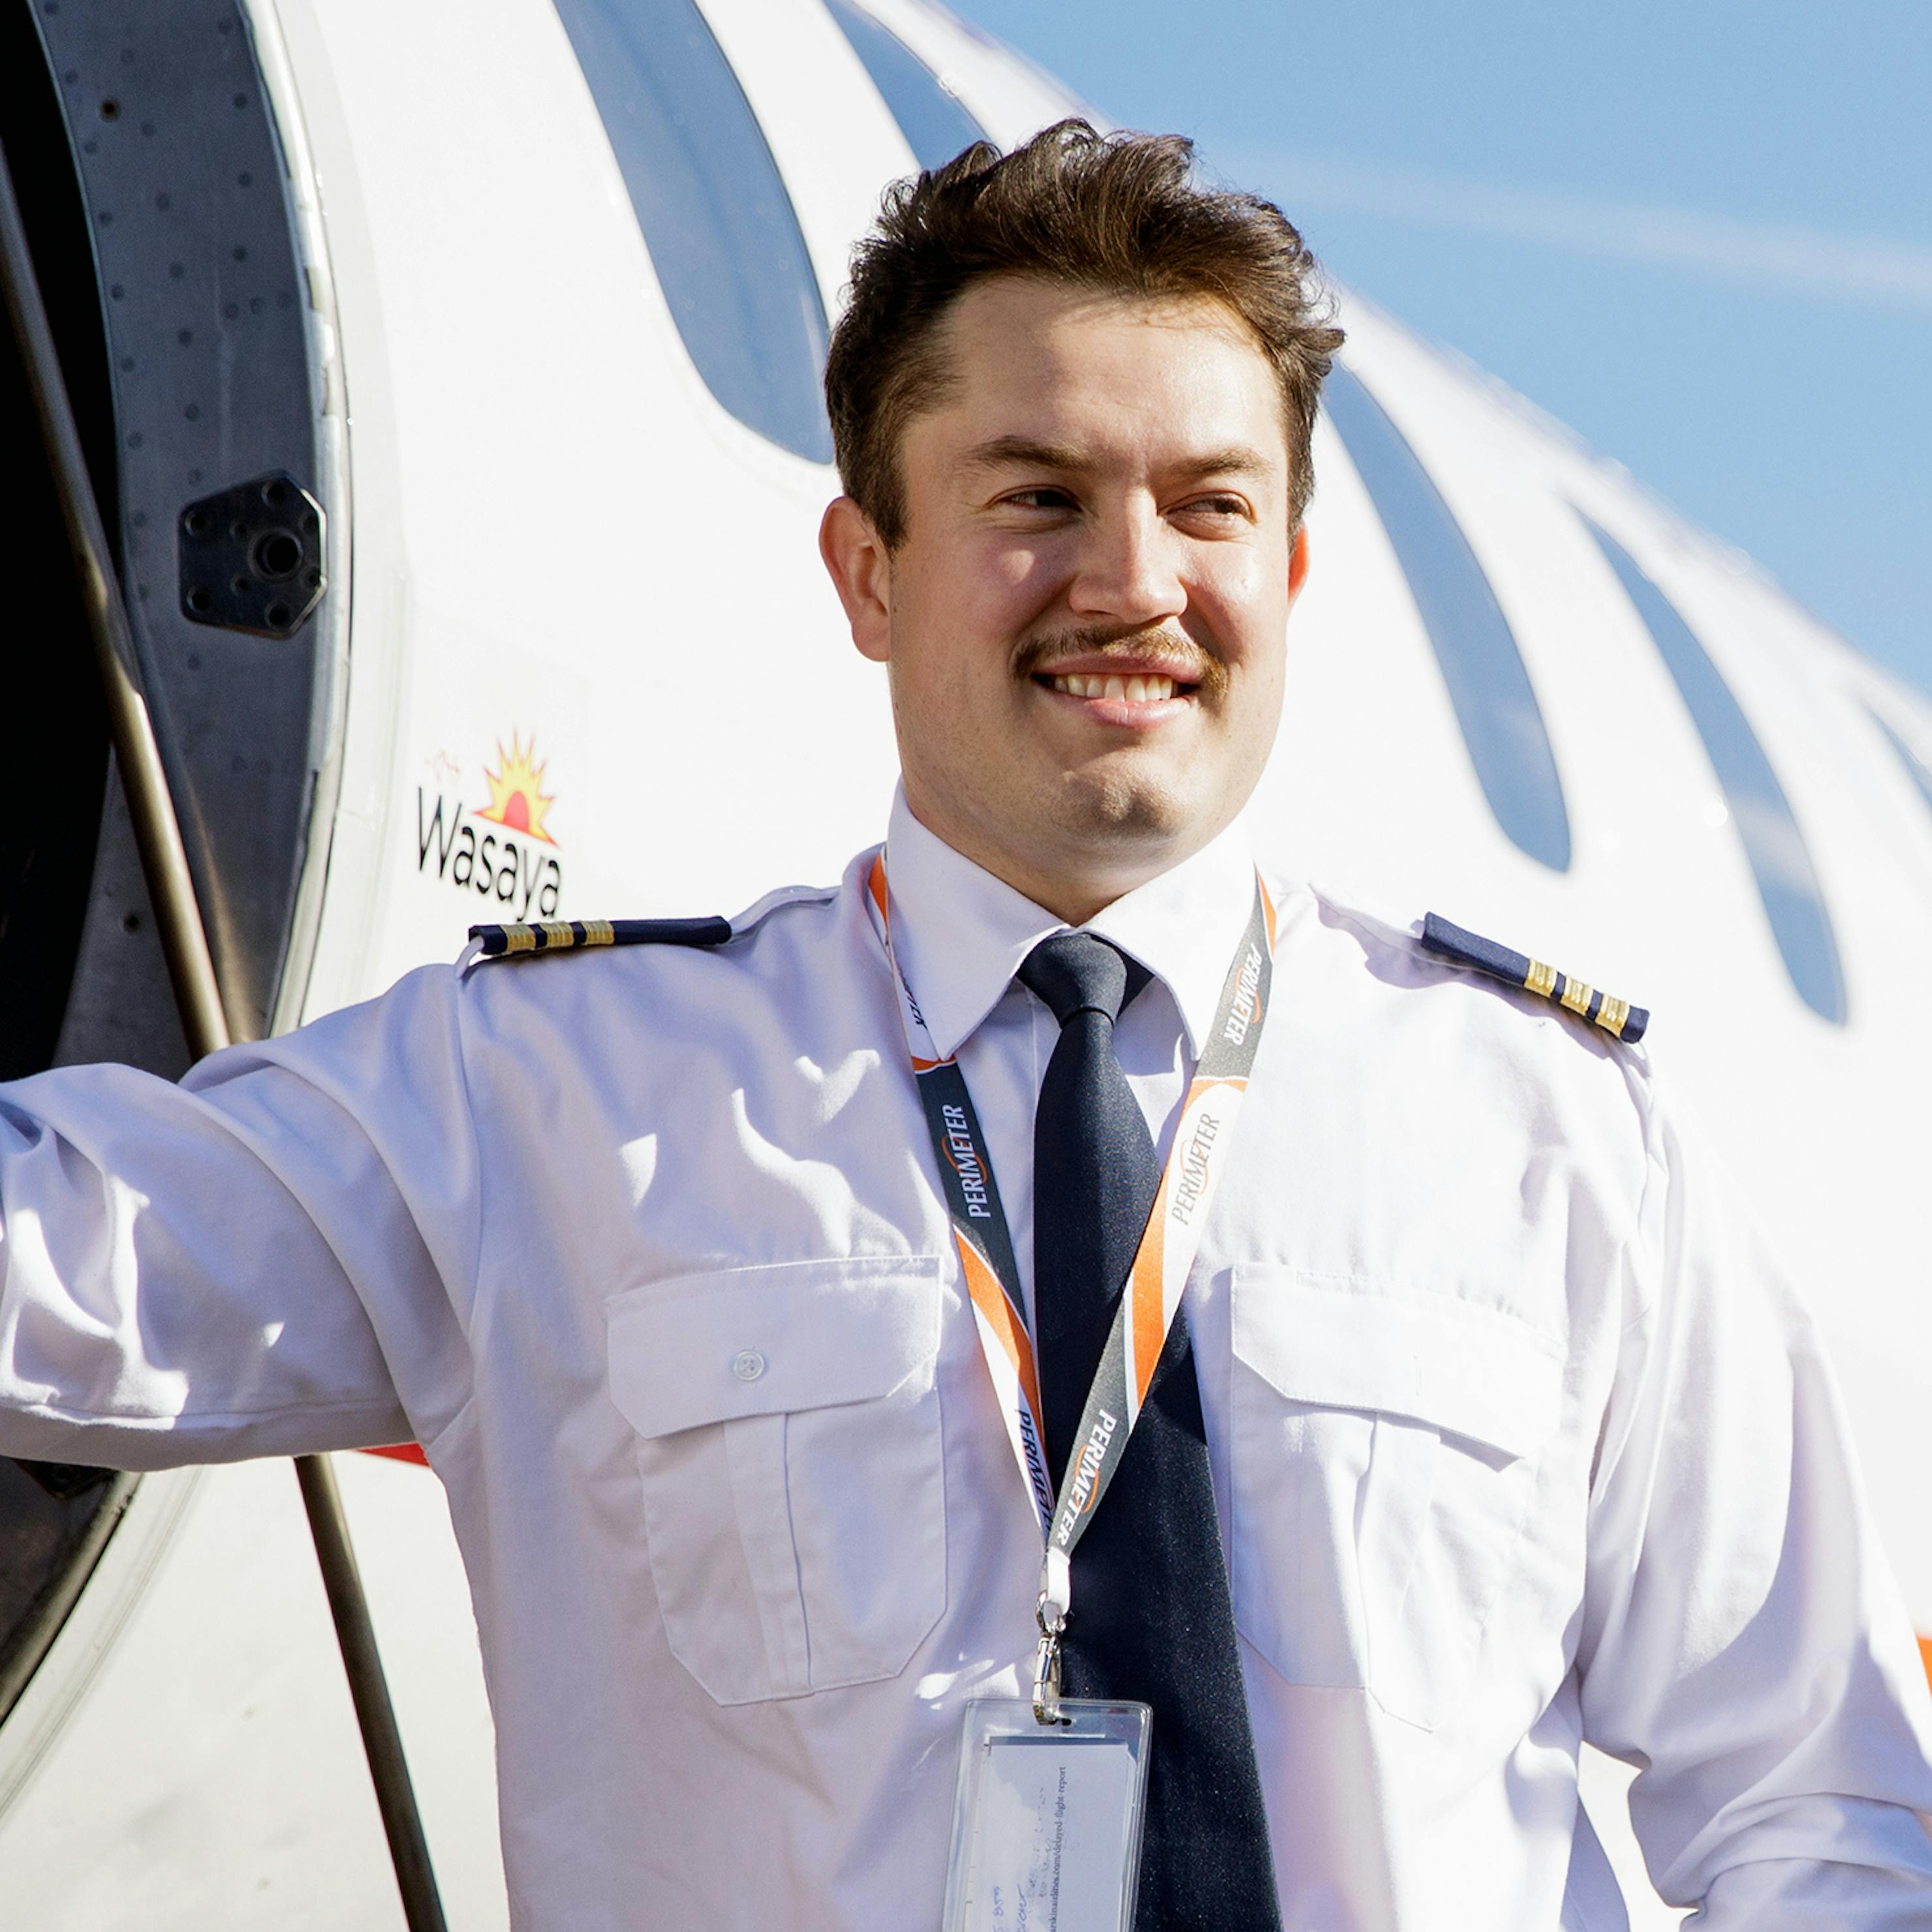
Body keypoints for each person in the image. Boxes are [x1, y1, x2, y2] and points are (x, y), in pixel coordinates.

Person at [3, 121, 1931, 1930]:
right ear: (868, 570)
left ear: (1289, 572)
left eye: (1209, 507)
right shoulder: (552, 1096)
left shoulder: (1554, 1133)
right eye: (1037, 499)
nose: (1133, 583)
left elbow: (1811, 1804)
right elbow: (55, 1271)